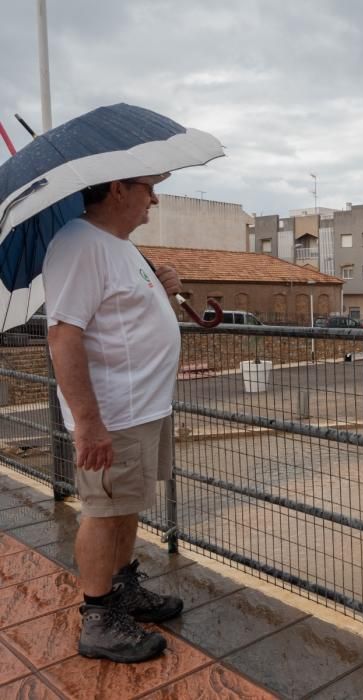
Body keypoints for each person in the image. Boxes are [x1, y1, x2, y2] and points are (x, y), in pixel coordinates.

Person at [43, 174, 184, 663]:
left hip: (144, 408)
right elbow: (64, 335)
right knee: (104, 512)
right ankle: (99, 617)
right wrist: (88, 423)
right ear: (119, 188)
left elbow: (131, 322)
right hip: (114, 415)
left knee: (125, 504)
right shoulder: (80, 244)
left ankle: (122, 589)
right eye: (148, 187)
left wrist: (165, 289)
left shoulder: (120, 245)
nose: (156, 197)